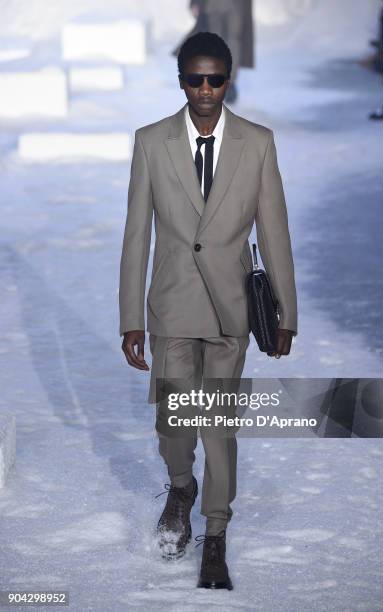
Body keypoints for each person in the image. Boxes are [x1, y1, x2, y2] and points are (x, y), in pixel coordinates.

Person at [119, 32, 297, 590]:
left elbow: (274, 230)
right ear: (180, 81)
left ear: (228, 80)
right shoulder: (152, 142)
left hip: (231, 309)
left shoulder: (257, 142)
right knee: (174, 421)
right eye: (194, 79)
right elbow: (136, 235)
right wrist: (131, 317)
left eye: (214, 79)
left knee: (218, 425)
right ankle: (180, 486)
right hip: (171, 305)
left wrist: (285, 311)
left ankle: (215, 532)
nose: (204, 90)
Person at [173, 0, 254, 104]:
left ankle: (225, 81)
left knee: (229, 41)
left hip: (229, 5)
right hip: (218, 5)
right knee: (225, 41)